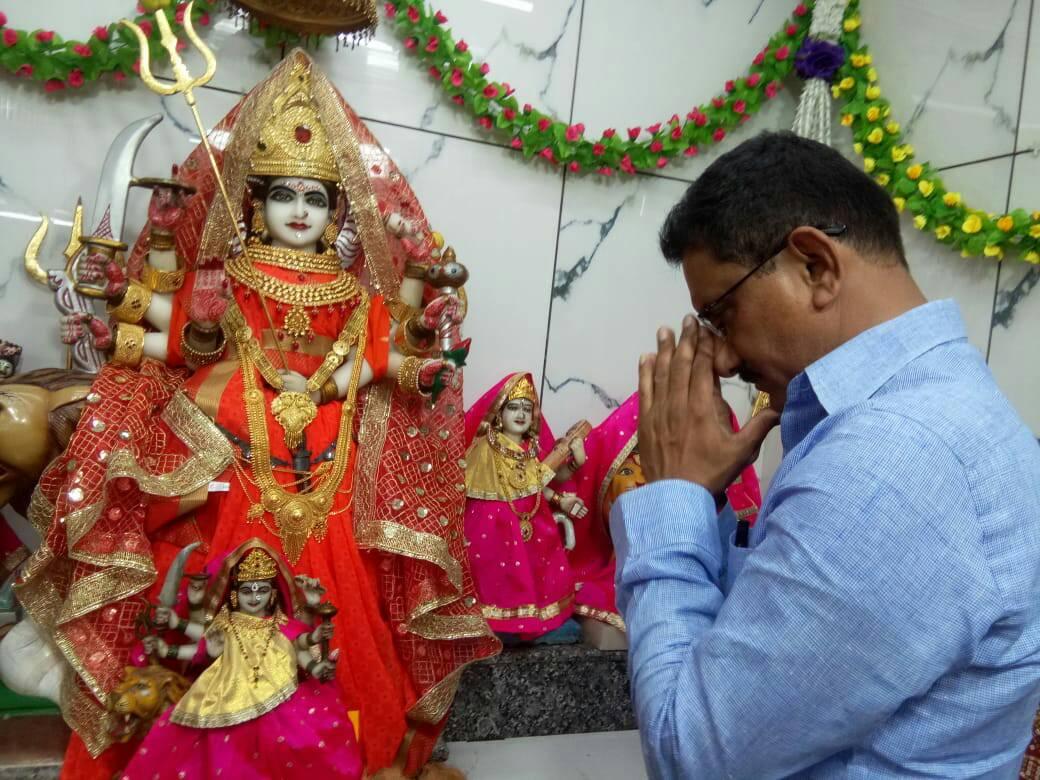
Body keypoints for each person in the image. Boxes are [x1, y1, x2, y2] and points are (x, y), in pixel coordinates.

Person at [17, 51, 497, 779]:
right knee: (197, 615)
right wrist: (132, 295)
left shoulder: (358, 297)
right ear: (253, 204)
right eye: (282, 195)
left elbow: (394, 361)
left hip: (331, 484)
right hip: (234, 475)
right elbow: (167, 340)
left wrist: (418, 352)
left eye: (313, 197)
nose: (299, 211)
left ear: (338, 211)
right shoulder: (227, 281)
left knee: (350, 631)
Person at [612, 130, 1040, 779]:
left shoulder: (892, 459)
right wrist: (706, 499)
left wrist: (674, 497)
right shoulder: (930, 416)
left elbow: (692, 755)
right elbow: (755, 655)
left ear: (815, 265)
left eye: (723, 315)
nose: (722, 358)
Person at [124, 540, 362, 779]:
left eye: (262, 590)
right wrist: (169, 644)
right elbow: (204, 642)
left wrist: (317, 659)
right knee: (216, 748)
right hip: (224, 693)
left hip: (280, 694)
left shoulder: (280, 624)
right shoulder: (226, 622)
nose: (255, 597)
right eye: (247, 590)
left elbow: (300, 645)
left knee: (295, 739)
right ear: (236, 594)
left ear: (273, 595)